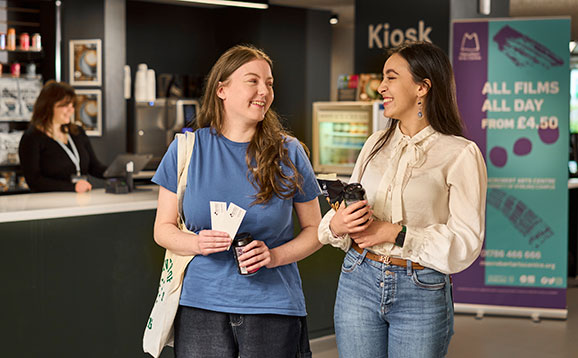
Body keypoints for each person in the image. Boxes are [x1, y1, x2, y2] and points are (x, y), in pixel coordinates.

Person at [318, 41, 487, 358]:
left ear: (422, 87)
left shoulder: (461, 154)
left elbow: (466, 240)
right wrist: (341, 221)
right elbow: (351, 208)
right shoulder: (375, 143)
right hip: (358, 276)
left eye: (391, 77)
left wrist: (395, 232)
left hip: (420, 287)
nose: (380, 87)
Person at [152, 44, 322, 358]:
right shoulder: (186, 149)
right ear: (222, 90)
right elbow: (162, 230)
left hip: (274, 307)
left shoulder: (290, 151)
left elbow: (316, 230)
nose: (264, 91)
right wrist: (198, 243)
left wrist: (273, 256)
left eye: (269, 83)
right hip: (200, 307)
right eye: (252, 81)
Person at [18, 81, 106, 193]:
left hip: (80, 200)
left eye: (72, 105)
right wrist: (72, 187)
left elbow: (94, 167)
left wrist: (119, 173)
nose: (71, 110)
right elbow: (34, 181)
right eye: (65, 105)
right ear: (49, 106)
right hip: (50, 204)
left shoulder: (77, 132)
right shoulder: (32, 138)